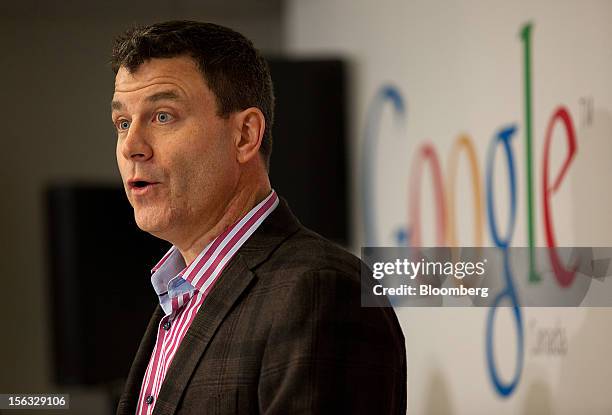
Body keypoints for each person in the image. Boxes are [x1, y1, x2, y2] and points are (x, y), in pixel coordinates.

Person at [111, 20, 406, 415]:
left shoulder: (320, 291)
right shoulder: (177, 297)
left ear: (245, 135)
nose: (131, 146)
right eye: (123, 123)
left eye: (163, 116)